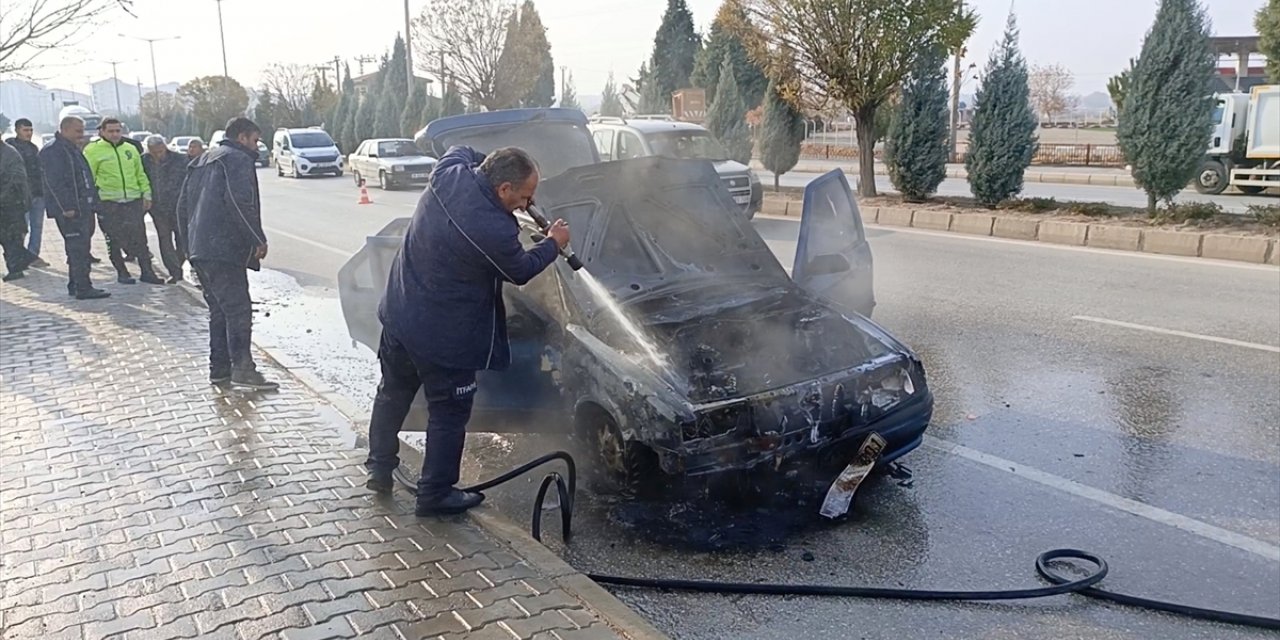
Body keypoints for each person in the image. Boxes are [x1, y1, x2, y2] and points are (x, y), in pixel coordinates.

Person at [365, 146, 569, 515]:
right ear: (504, 188)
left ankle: (379, 469)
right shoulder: (491, 228)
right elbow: (520, 270)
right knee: (448, 412)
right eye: (524, 196)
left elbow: (461, 149)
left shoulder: (448, 173)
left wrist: (493, 159)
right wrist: (553, 244)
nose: (528, 204)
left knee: (392, 393)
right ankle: (435, 494)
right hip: (443, 335)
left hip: (400, 312)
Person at [178, 117, 276, 391]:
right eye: (255, 140)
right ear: (242, 137)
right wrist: (256, 238)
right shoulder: (236, 159)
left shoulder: (201, 160)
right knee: (238, 310)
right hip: (224, 249)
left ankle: (219, 370)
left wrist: (188, 248)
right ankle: (244, 370)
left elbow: (182, 208)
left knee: (219, 311)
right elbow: (238, 201)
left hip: (201, 249)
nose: (257, 147)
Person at [84, 117, 162, 285]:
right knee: (114, 239)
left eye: (117, 131)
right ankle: (122, 272)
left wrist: (146, 195)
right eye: (110, 131)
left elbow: (139, 173)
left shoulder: (130, 149)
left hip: (132, 201)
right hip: (109, 203)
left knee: (140, 238)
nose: (114, 134)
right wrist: (94, 201)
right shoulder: (92, 150)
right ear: (102, 131)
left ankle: (147, 272)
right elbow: (88, 177)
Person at [38, 116, 109, 299]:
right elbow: (53, 183)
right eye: (78, 130)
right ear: (65, 129)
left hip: (82, 206)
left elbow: (83, 176)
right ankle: (83, 288)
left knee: (80, 247)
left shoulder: (72, 149)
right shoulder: (53, 151)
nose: (82, 134)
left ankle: (75, 284)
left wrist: (93, 201)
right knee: (77, 248)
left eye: (82, 130)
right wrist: (66, 207)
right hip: (70, 210)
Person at [142, 135, 187, 283]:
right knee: (164, 238)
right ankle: (175, 272)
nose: (158, 155)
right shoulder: (144, 161)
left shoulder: (180, 160)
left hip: (178, 206)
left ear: (165, 147)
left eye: (160, 151)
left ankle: (178, 264)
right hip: (158, 208)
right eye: (154, 152)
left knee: (182, 240)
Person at [5, 119, 49, 267]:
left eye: (30, 130)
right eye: (25, 130)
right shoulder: (10, 148)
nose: (29, 133)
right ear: (17, 130)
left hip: (37, 193)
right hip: (20, 196)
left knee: (37, 227)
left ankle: (33, 256)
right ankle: (19, 257)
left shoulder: (33, 148)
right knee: (21, 228)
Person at [1, 141, 39, 281]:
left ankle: (17, 267)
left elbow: (16, 180)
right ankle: (22, 261)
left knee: (11, 238)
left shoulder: (9, 153)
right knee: (8, 238)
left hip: (11, 205)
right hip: (6, 204)